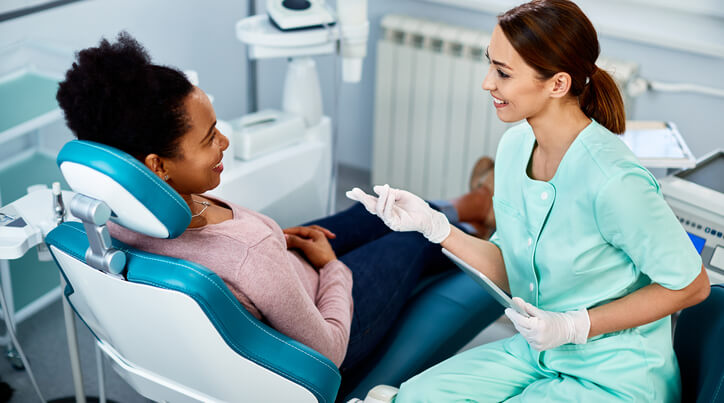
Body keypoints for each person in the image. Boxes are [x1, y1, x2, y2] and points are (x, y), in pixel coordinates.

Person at [54, 32, 496, 395]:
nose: (224, 142)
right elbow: (328, 352)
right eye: (209, 137)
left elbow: (226, 259)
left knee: (384, 205)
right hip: (328, 318)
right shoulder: (251, 253)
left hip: (277, 271)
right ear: (158, 166)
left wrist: (270, 242)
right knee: (412, 233)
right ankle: (500, 239)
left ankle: (473, 207)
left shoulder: (110, 220)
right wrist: (332, 268)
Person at [347, 0, 710, 402]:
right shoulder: (515, 146)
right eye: (490, 64)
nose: (487, 83)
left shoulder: (615, 181)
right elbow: (510, 268)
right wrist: (435, 227)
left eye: (502, 72)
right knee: (409, 397)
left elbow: (692, 287)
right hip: (540, 353)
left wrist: (575, 326)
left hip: (615, 373)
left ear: (558, 84)